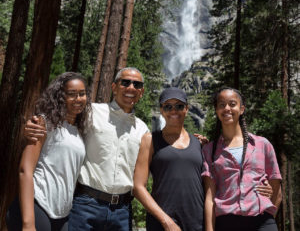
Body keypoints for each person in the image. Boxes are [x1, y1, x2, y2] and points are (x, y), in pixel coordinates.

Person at [23, 67, 149, 231]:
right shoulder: (90, 112)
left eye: (137, 84)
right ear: (114, 87)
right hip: (86, 205)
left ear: (141, 92)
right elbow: (57, 116)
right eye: (125, 82)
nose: (131, 87)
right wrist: (30, 125)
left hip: (122, 211)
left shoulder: (143, 130)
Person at [6, 72, 91, 231]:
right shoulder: (45, 123)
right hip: (37, 206)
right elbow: (25, 170)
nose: (78, 99)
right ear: (60, 96)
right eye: (71, 94)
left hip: (62, 215)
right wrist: (28, 223)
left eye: (82, 94)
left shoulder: (79, 131)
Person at [201, 87, 282, 231]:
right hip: (227, 223)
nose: (227, 108)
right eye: (221, 105)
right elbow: (210, 197)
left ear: (242, 108)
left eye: (232, 104)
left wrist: (268, 219)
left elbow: (276, 189)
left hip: (262, 221)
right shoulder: (209, 150)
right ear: (216, 110)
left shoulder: (262, 144)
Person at [133, 87, 205, 231]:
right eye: (168, 106)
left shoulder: (199, 143)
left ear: (186, 109)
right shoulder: (150, 140)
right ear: (161, 110)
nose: (173, 111)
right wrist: (167, 222)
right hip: (162, 223)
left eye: (179, 106)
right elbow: (138, 187)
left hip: (196, 222)